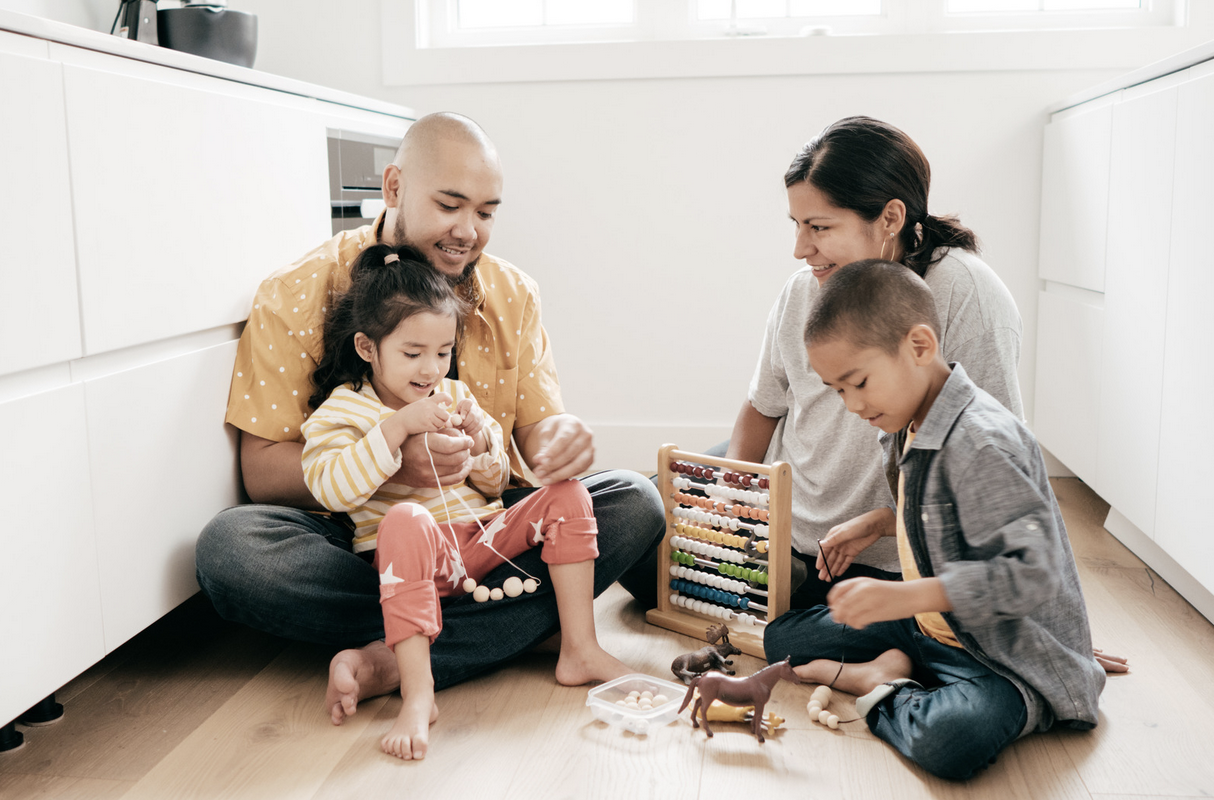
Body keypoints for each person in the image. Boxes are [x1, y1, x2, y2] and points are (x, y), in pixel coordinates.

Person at [194, 113, 663, 723]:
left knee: (635, 500)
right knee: (231, 554)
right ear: (393, 188)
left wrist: (560, 440)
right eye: (449, 205)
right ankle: (512, 630)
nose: (467, 231)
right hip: (359, 536)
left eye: (487, 212)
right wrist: (393, 465)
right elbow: (260, 472)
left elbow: (531, 436)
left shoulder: (513, 292)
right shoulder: (296, 291)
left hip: (484, 536)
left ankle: (398, 658)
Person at [764, 259, 1105, 781]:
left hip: (998, 655)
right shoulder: (908, 420)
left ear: (919, 346)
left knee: (953, 738)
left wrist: (907, 596)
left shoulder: (985, 442)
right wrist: (880, 522)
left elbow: (1033, 574)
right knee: (782, 638)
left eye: (858, 383)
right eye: (837, 390)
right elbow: (945, 513)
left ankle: (883, 689)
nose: (852, 404)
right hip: (928, 626)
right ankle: (895, 666)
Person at [302, 242, 629, 760]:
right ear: (368, 348)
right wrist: (396, 429)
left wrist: (481, 446)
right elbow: (329, 487)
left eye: (443, 352)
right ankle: (418, 691)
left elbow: (497, 485)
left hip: (483, 546)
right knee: (405, 517)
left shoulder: (454, 396)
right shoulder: (341, 412)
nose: (431, 369)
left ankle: (579, 648)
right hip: (409, 564)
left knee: (569, 491)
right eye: (412, 354)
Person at [728, 116, 1024, 608]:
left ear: (890, 218)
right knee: (651, 522)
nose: (801, 250)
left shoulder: (966, 293)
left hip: (885, 558)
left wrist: (1020, 613)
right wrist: (733, 503)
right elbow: (765, 405)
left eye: (819, 227)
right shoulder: (805, 287)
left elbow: (1001, 465)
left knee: (830, 630)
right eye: (797, 226)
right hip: (788, 526)